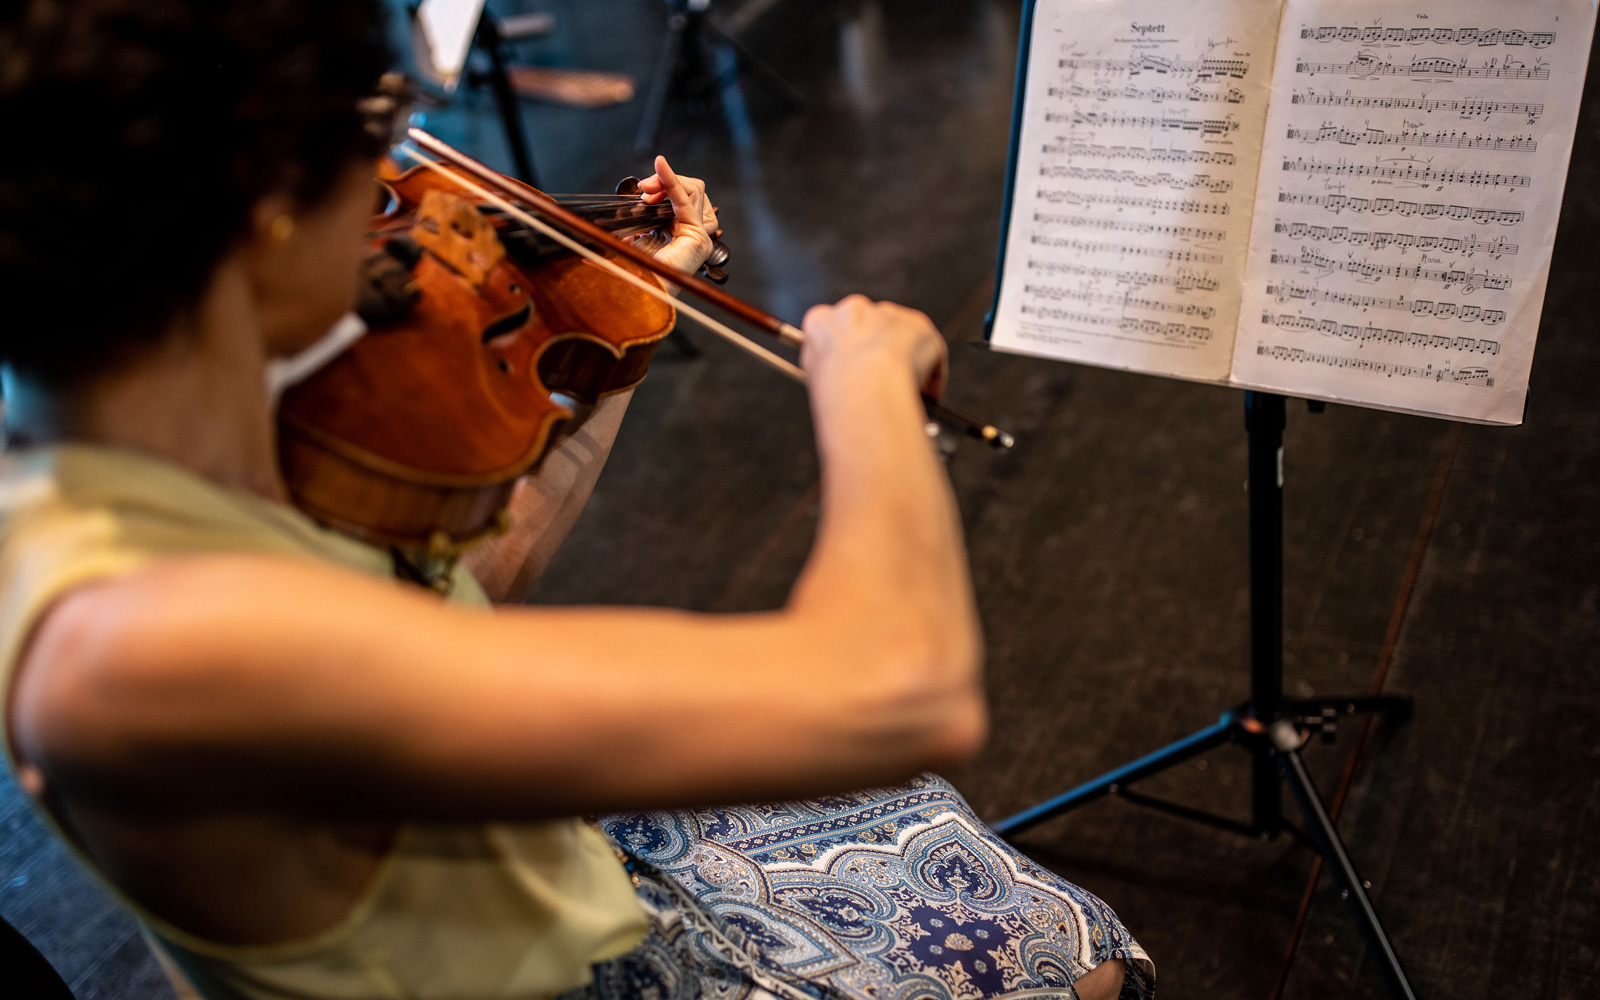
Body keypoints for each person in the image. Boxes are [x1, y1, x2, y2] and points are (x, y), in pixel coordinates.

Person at [0, 2, 1151, 999]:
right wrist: (865, 397)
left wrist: (631, 313)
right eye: (372, 131)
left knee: (913, 814)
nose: (405, 185)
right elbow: (907, 687)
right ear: (265, 208)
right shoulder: (142, 650)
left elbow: (460, 589)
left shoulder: (145, 447)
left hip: (546, 865)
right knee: (1070, 944)